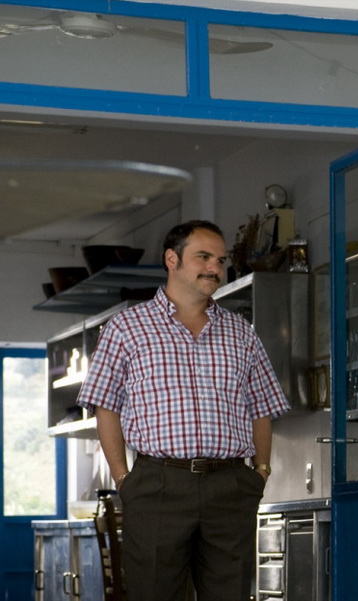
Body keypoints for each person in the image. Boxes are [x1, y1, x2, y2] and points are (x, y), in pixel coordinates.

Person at [77, 219, 291, 601]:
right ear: (172, 259)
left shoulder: (241, 332)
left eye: (220, 261)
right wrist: (124, 479)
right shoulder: (126, 328)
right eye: (203, 257)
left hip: (230, 487)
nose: (215, 268)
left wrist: (260, 472)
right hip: (158, 484)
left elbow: (262, 406)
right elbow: (104, 406)